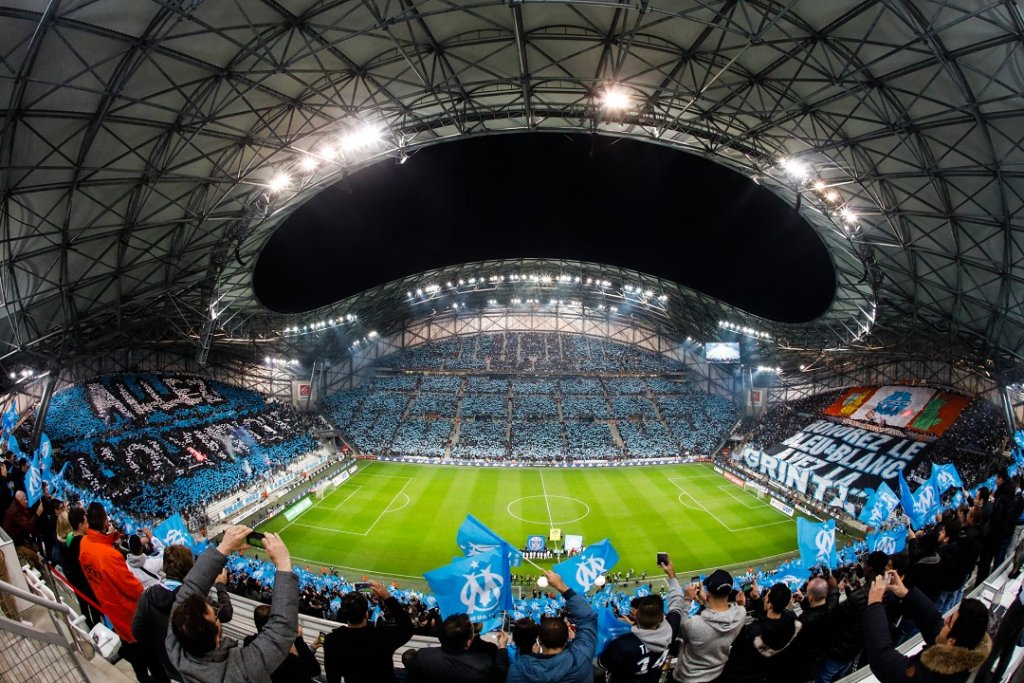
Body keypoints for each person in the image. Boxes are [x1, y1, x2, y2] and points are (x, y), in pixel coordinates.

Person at [166, 527, 296, 683]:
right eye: (215, 615)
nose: (216, 611)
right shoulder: (242, 669)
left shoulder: (176, 647)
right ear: (216, 639)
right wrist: (284, 565)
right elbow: (281, 629)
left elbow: (190, 589)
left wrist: (223, 549)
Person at [863, 569, 991, 682]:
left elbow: (883, 661)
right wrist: (906, 594)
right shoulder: (964, 650)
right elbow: (935, 625)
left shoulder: (929, 675)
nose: (945, 619)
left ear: (951, 641)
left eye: (948, 622)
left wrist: (874, 605)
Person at [133, 544, 234, 682]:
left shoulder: (146, 596)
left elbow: (137, 632)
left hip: (166, 664)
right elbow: (226, 613)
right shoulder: (197, 600)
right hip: (194, 670)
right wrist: (221, 586)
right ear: (191, 567)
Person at [78, 502, 153, 682]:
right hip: (130, 613)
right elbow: (133, 588)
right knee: (150, 658)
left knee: (136, 660)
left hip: (112, 611)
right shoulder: (109, 555)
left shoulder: (85, 544)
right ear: (105, 521)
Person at [598, 554, 684, 682]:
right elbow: (677, 602)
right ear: (662, 617)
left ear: (635, 614)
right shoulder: (671, 629)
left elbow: (602, 664)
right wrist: (671, 574)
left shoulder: (622, 644)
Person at [507, 569, 597, 683]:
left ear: (539, 639)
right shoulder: (582, 657)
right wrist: (561, 586)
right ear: (567, 638)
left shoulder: (517, 669)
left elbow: (587, 619)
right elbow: (587, 618)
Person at [323, 581, 414, 683]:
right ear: (366, 614)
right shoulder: (382, 636)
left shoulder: (332, 641)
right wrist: (387, 597)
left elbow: (332, 679)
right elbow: (408, 627)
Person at [670, 568, 746, 683]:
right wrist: (705, 602)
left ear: (708, 593)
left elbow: (678, 629)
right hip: (717, 674)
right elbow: (720, 616)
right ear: (730, 591)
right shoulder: (741, 613)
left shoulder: (694, 624)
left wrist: (686, 600)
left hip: (688, 678)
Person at [718, 582, 801, 683]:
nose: (764, 598)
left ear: (770, 605)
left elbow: (736, 640)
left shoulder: (755, 631)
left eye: (765, 597)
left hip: (747, 675)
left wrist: (740, 608)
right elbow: (769, 617)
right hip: (767, 670)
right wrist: (757, 598)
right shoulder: (791, 618)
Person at [404, 613, 509, 683]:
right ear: (468, 642)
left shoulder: (422, 655)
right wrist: (502, 647)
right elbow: (501, 675)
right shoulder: (483, 664)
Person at [243, 605, 321, 683]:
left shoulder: (249, 643)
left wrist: (312, 648)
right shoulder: (287, 659)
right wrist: (299, 640)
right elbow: (314, 670)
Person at [60, 506, 104, 628]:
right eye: (85, 522)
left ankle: (91, 625)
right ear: (80, 525)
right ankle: (98, 627)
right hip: (87, 582)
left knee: (84, 605)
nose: (88, 524)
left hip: (77, 581)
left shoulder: (70, 537)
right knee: (94, 607)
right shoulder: (84, 543)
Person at [2, 489, 43, 568]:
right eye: (25, 499)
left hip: (19, 539)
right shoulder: (16, 511)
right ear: (20, 500)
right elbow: (28, 527)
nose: (27, 501)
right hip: (14, 544)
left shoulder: (16, 506)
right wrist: (37, 513)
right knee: (34, 556)